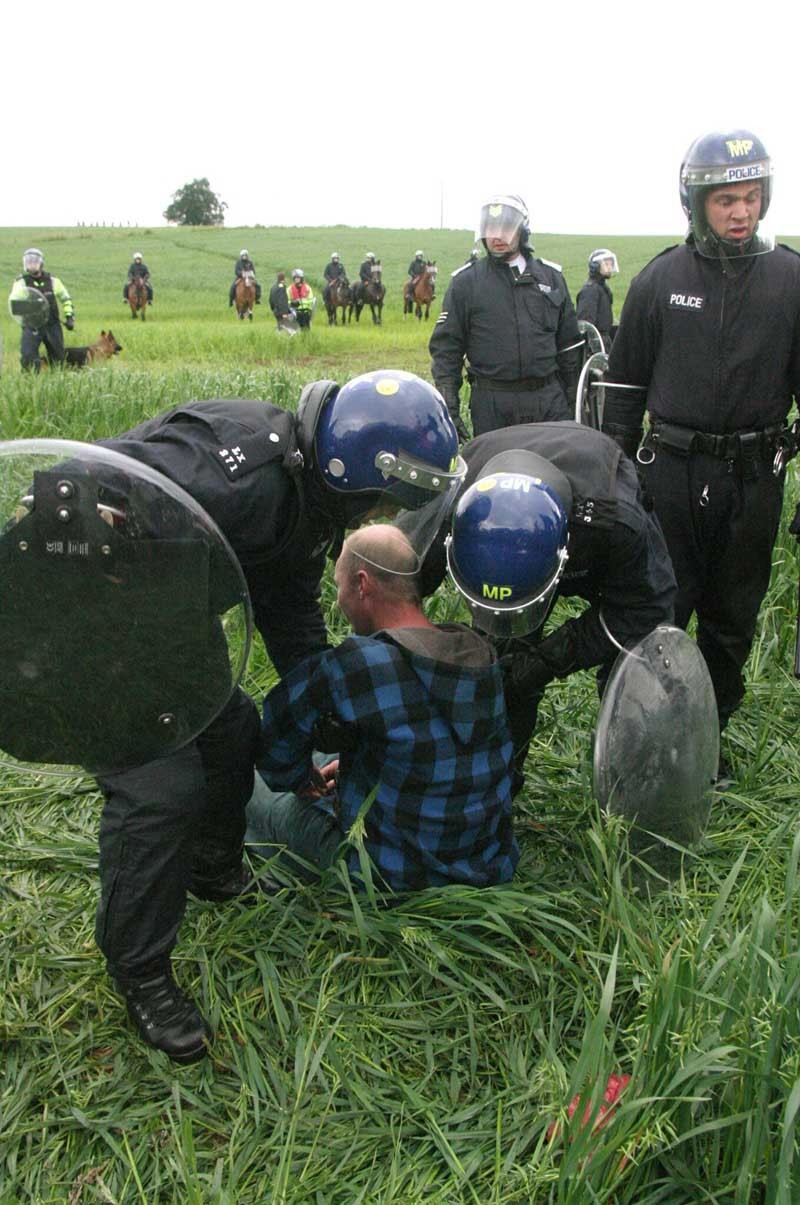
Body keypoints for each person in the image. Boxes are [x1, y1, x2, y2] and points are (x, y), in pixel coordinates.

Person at [78, 370, 464, 1062]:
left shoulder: (304, 497)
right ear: (358, 472)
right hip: (99, 625)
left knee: (233, 733)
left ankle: (214, 865)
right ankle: (140, 970)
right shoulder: (244, 477)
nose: (378, 510)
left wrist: (332, 718)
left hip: (170, 628)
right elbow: (91, 482)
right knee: (161, 790)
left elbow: (289, 616)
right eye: (382, 497)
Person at [601, 128, 800, 770]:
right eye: (725, 200)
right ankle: (639, 740)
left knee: (732, 618)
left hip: (755, 479)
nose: (741, 212)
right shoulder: (659, 281)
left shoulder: (792, 280)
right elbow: (625, 395)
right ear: (695, 202)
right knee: (661, 610)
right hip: (671, 476)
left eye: (751, 198)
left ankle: (702, 744)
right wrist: (611, 489)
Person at [246, 524, 517, 892]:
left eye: (340, 587)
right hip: (483, 862)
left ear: (362, 584)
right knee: (330, 753)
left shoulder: (362, 662)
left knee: (248, 780)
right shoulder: (477, 652)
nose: (340, 601)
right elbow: (433, 738)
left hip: (389, 875)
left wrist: (300, 780)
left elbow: (276, 748)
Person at [419, 421, 677, 794]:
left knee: (640, 663)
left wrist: (549, 659)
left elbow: (644, 611)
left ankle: (635, 782)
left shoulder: (619, 525)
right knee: (503, 664)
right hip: (495, 467)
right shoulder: (448, 503)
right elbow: (397, 587)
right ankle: (496, 785)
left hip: (591, 515)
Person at [430, 194, 584, 442]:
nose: (497, 236)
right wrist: (449, 408)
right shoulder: (466, 283)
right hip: (493, 405)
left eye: (505, 228)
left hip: (549, 403)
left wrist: (574, 401)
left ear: (522, 231)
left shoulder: (551, 278)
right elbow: (446, 350)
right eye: (490, 228)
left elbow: (569, 347)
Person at [8, 248, 75, 372]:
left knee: (58, 359)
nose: (31, 264)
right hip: (31, 326)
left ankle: (56, 383)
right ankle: (32, 381)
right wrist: (32, 306)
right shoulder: (21, 282)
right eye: (28, 262)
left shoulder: (54, 281)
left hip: (52, 325)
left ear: (40, 263)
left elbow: (66, 299)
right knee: (28, 356)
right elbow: (15, 305)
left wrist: (70, 317)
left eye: (34, 262)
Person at [576, 249, 618, 351]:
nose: (610, 267)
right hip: (596, 345)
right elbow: (586, 327)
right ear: (595, 266)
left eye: (611, 264)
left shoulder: (603, 289)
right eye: (606, 264)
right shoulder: (590, 290)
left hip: (605, 342)